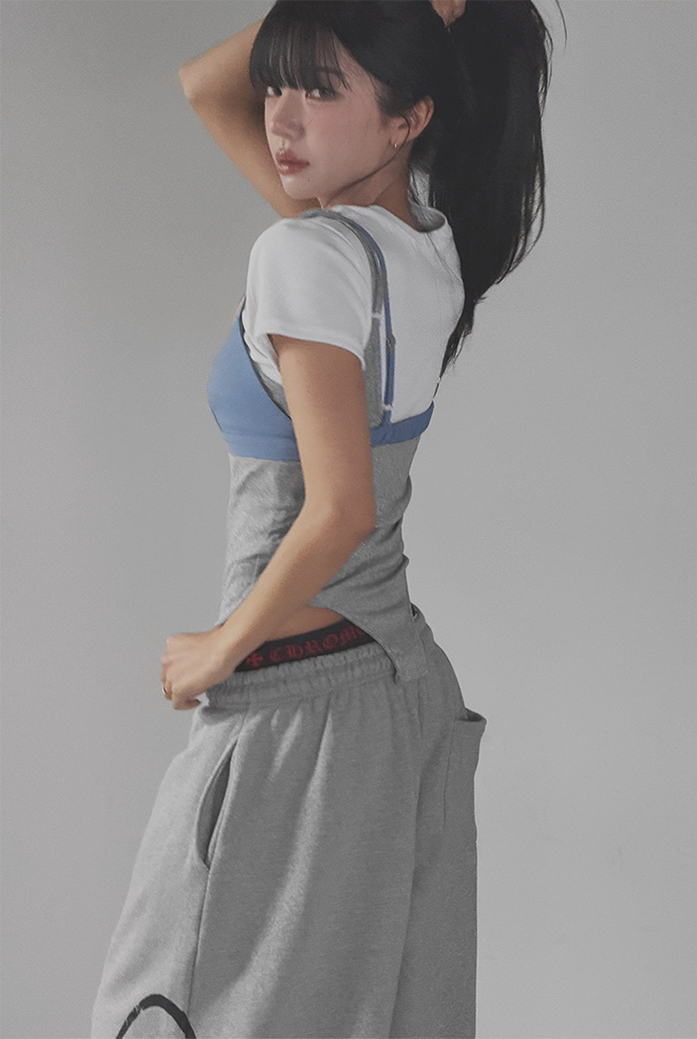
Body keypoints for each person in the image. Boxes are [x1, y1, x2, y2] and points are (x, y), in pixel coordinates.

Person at [90, 0, 559, 1035]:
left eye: (320, 88)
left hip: (292, 709)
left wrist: (220, 647)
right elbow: (210, 88)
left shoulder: (304, 257)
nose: (279, 116)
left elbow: (341, 506)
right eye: (278, 84)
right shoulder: (423, 248)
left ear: (408, 119)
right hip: (400, 695)